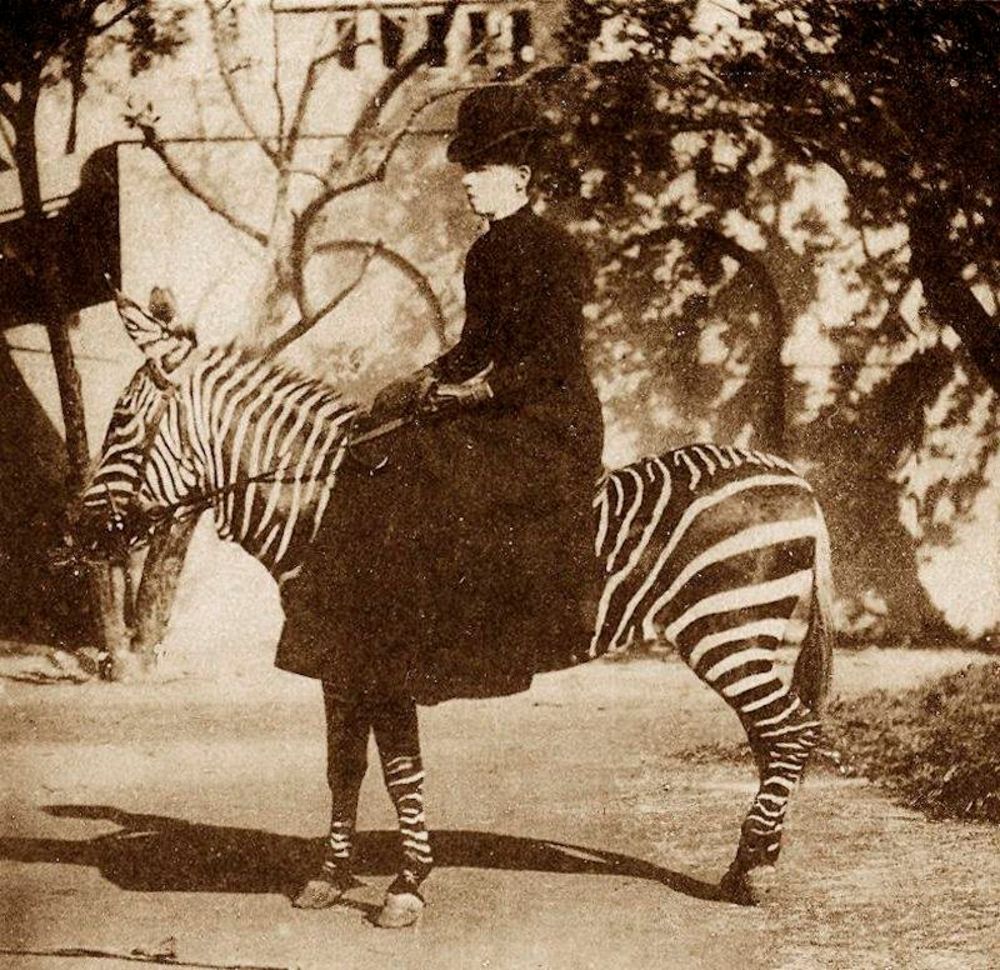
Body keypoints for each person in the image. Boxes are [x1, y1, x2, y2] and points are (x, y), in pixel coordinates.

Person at [278, 86, 605, 917]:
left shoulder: (556, 251)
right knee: (383, 446)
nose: (468, 180)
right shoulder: (486, 253)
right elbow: (476, 345)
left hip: (550, 423)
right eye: (469, 167)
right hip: (500, 405)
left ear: (520, 175)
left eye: (482, 168)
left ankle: (439, 641)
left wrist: (468, 397)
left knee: (435, 468)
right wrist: (422, 378)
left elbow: (548, 363)